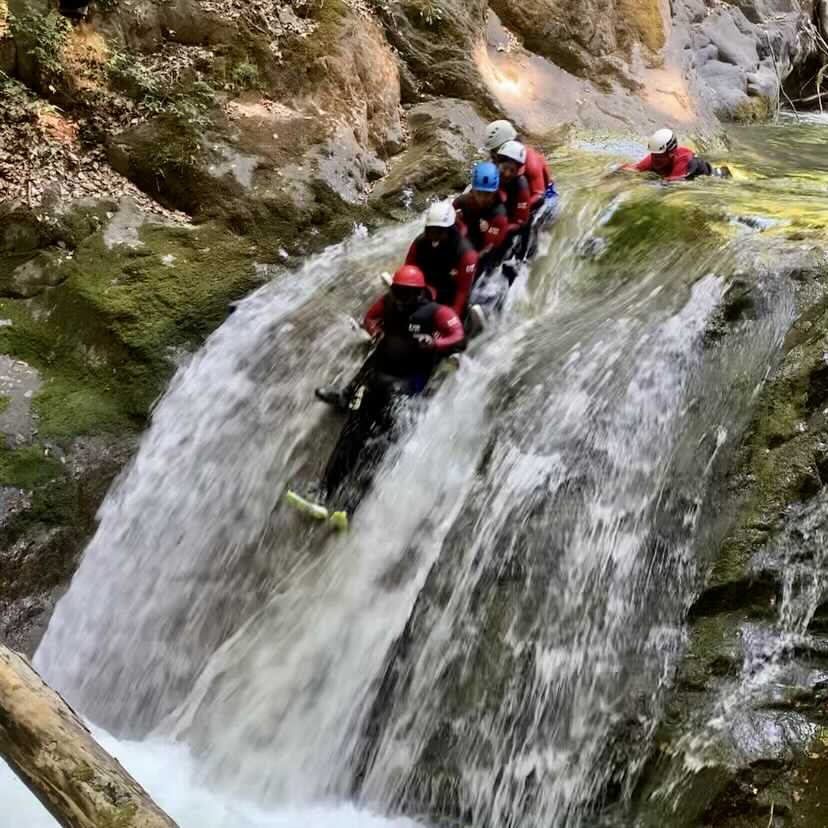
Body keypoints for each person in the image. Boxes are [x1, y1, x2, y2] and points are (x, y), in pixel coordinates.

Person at [315, 265, 465, 408]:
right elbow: (370, 318)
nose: (399, 296)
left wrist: (434, 343)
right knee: (373, 362)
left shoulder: (436, 311)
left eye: (405, 292)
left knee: (394, 399)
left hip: (414, 370)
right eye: (397, 290)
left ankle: (409, 413)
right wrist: (375, 331)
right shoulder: (388, 300)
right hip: (385, 362)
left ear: (418, 292)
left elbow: (457, 334)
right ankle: (345, 396)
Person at [405, 201, 478, 320]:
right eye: (430, 231)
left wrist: (453, 317)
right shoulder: (420, 243)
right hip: (425, 289)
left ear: (450, 230)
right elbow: (409, 268)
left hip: (450, 293)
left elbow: (462, 292)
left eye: (439, 232)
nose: (434, 236)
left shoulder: (466, 254)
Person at [483, 119, 555, 211]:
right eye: (492, 152)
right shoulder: (500, 160)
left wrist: (518, 209)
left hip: (544, 196)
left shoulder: (531, 162)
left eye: (495, 151)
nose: (493, 156)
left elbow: (539, 196)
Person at [453, 162, 509, 266]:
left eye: (488, 194)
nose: (482, 198)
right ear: (473, 190)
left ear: (495, 191)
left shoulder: (499, 214)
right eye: (479, 193)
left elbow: (489, 248)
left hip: (485, 250)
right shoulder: (462, 201)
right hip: (468, 241)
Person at [621, 129, 730, 181]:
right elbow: (633, 169)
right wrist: (616, 173)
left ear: (671, 154)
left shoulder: (685, 160)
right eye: (654, 155)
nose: (655, 159)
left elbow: (670, 184)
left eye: (659, 156)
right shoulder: (654, 156)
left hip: (718, 178)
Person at [496, 141, 531, 238]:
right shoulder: (490, 173)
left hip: (511, 221)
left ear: (518, 170)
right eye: (505, 168)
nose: (507, 174)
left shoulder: (521, 185)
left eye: (512, 170)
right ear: (498, 163)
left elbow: (521, 222)